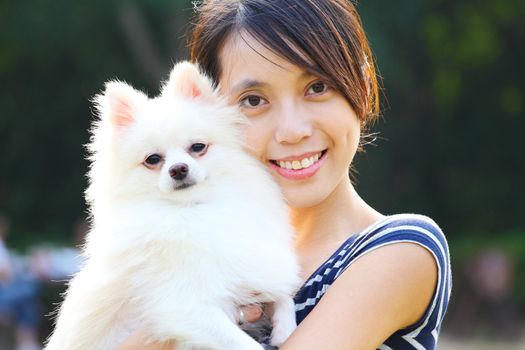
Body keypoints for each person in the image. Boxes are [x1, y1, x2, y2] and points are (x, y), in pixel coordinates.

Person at [119, 0, 451, 349]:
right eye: (253, 100)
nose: (292, 131)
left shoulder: (401, 248)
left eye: (317, 87)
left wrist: (181, 322)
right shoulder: (189, 254)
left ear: (364, 85)